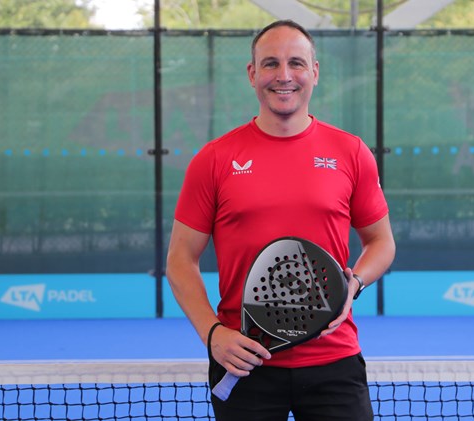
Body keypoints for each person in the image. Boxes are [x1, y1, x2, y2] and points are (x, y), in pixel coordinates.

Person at [166, 19, 395, 420]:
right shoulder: (215, 159)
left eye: (296, 63)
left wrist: (353, 283)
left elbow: (381, 242)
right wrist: (213, 335)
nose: (284, 76)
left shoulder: (351, 152)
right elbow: (180, 260)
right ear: (252, 74)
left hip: (334, 362)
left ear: (315, 72)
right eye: (270, 64)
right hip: (243, 362)